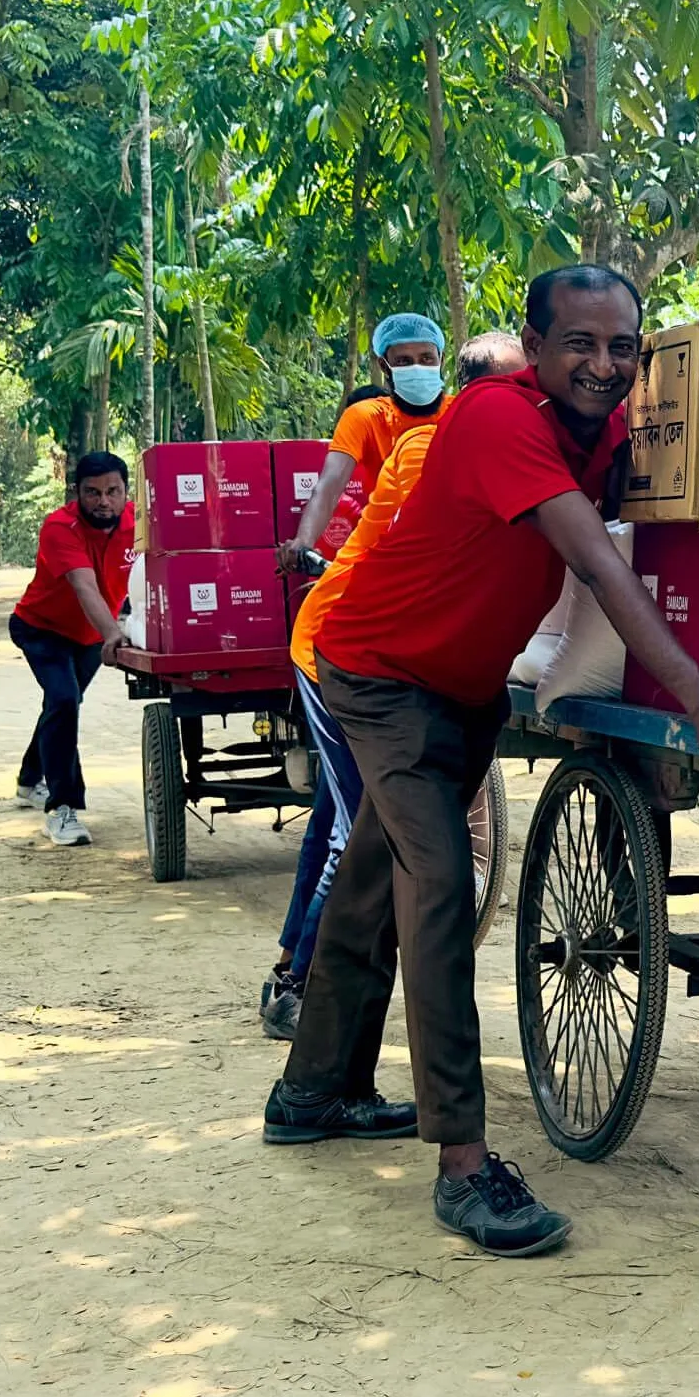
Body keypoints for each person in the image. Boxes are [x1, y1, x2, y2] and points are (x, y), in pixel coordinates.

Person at [263, 268, 699, 1257]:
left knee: (372, 883)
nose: (605, 364)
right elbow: (595, 560)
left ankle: (312, 1087)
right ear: (534, 348)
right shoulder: (499, 417)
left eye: (623, 346)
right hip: (377, 669)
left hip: (463, 686)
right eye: (580, 343)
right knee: (442, 881)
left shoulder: (605, 429)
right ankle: (461, 1161)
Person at [263, 330, 530, 1040]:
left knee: (332, 817)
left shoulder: (453, 443)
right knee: (360, 834)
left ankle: (290, 966)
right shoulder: (421, 451)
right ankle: (302, 990)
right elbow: (329, 492)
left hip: (372, 652)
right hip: (345, 656)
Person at [9, 451, 136, 847]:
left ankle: (30, 779)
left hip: (90, 636)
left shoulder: (140, 521)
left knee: (62, 703)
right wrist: (114, 634)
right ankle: (62, 809)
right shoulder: (59, 527)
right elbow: (85, 586)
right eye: (93, 492)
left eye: (113, 491)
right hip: (41, 629)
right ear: (76, 493)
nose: (103, 501)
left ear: (125, 491)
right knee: (65, 699)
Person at [277, 313, 448, 575]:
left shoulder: (463, 411)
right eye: (403, 361)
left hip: (455, 552)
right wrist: (304, 541)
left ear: (441, 360)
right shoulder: (365, 416)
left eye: (426, 359)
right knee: (321, 613)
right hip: (389, 555)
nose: (417, 367)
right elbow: (330, 484)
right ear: (384, 365)